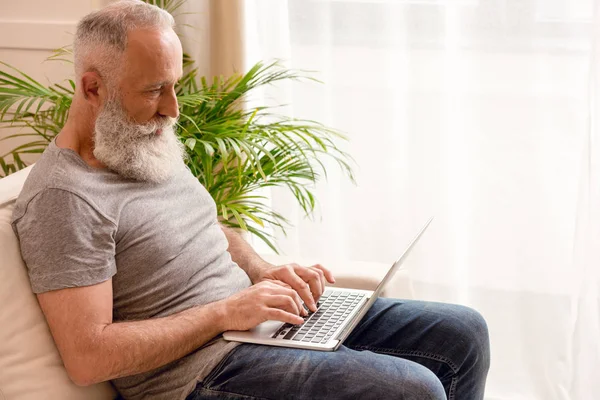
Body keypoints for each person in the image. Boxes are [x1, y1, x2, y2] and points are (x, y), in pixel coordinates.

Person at [11, 1, 490, 399]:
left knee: (462, 333)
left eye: (174, 84)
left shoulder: (136, 142)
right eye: (155, 90)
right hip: (201, 372)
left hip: (255, 326)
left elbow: (203, 225)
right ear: (93, 87)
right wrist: (225, 314)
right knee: (412, 389)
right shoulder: (63, 198)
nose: (172, 108)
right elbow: (88, 357)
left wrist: (263, 271)